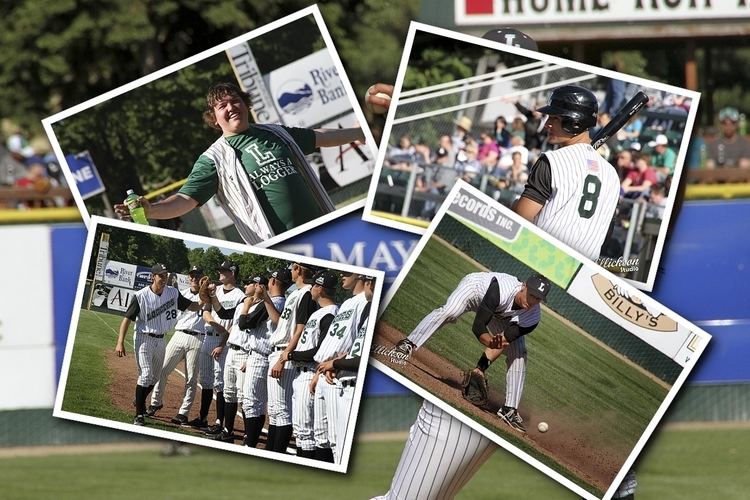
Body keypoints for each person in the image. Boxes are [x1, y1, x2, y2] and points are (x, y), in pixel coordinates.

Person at [113, 82, 366, 244]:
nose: (232, 107)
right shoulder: (213, 158)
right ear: (213, 117)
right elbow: (185, 200)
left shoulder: (277, 133)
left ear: (246, 104)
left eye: (236, 100)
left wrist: (360, 131)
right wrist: (151, 210)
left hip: (325, 227)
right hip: (284, 245)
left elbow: (321, 137)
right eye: (222, 105)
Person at [392, 273, 549, 432]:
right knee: (450, 311)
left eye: (538, 299)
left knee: (519, 353)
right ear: (524, 286)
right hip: (475, 291)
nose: (533, 301)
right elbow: (479, 326)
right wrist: (489, 341)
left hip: (500, 315)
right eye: (532, 295)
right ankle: (408, 343)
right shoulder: (501, 289)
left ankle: (509, 409)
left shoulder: (533, 316)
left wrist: (480, 368)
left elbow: (504, 341)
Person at [513, 84, 621, 261]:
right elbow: (606, 234)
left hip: (538, 256)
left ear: (574, 122)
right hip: (579, 271)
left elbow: (520, 219)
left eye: (554, 118)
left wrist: (514, 204)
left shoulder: (552, 160)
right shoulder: (612, 175)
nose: (547, 124)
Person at [115, 263, 202, 426]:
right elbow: (127, 318)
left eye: (166, 275)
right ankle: (139, 414)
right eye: (161, 275)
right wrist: (120, 342)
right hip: (144, 337)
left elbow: (193, 306)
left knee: (155, 377)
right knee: (146, 374)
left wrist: (204, 298)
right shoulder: (141, 296)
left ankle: (139, 400)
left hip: (161, 339)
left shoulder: (173, 293)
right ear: (152, 277)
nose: (164, 278)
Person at [311, 271, 369, 462]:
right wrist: (318, 370)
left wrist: (335, 365)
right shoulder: (347, 303)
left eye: (347, 273)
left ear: (361, 276)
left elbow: (359, 339)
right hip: (323, 371)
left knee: (337, 442)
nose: (342, 276)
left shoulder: (364, 302)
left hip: (337, 375)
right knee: (321, 436)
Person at [282, 270, 339, 459]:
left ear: (320, 289)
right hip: (302, 374)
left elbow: (319, 352)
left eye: (314, 285)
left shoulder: (329, 315)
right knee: (302, 431)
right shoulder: (320, 312)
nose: (311, 288)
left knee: (307, 433)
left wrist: (291, 355)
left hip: (310, 374)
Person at [205, 274, 267, 442]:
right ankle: (228, 430)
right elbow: (224, 314)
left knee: (243, 397)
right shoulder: (242, 302)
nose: (246, 285)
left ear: (259, 286)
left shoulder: (263, 306)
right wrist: (213, 297)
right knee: (229, 392)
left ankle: (248, 434)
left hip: (244, 353)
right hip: (231, 351)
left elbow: (245, 325)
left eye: (250, 282)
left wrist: (249, 359)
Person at [265, 262, 319, 453]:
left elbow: (300, 329)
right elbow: (283, 324)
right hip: (280, 351)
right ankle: (270, 450)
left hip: (285, 354)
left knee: (282, 411)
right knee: (274, 410)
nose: (290, 271)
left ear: (298, 269)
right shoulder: (295, 293)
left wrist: (283, 357)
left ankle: (275, 454)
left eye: (292, 268)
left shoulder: (306, 293)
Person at [147, 266, 206, 425]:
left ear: (203, 278)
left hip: (198, 338)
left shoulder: (209, 296)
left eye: (197, 275)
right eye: (192, 275)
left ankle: (183, 412)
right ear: (188, 278)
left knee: (191, 378)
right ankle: (155, 402)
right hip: (179, 334)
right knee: (162, 369)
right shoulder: (181, 294)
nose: (194, 278)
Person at [192, 261, 245, 434]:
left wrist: (223, 343)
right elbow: (206, 311)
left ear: (232, 272)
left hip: (223, 343)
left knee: (221, 384)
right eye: (219, 270)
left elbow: (235, 325)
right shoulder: (216, 290)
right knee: (206, 381)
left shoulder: (240, 295)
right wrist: (214, 324)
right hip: (208, 337)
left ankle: (219, 422)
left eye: (223, 270)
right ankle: (203, 418)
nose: (220, 273)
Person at [240, 268, 291, 448]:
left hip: (261, 356)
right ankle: (252, 443)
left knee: (252, 403)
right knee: (260, 404)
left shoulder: (275, 301)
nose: (268, 280)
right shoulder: (283, 301)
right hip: (264, 356)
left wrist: (247, 306)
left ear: (274, 282)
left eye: (270, 277)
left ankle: (250, 444)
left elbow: (245, 323)